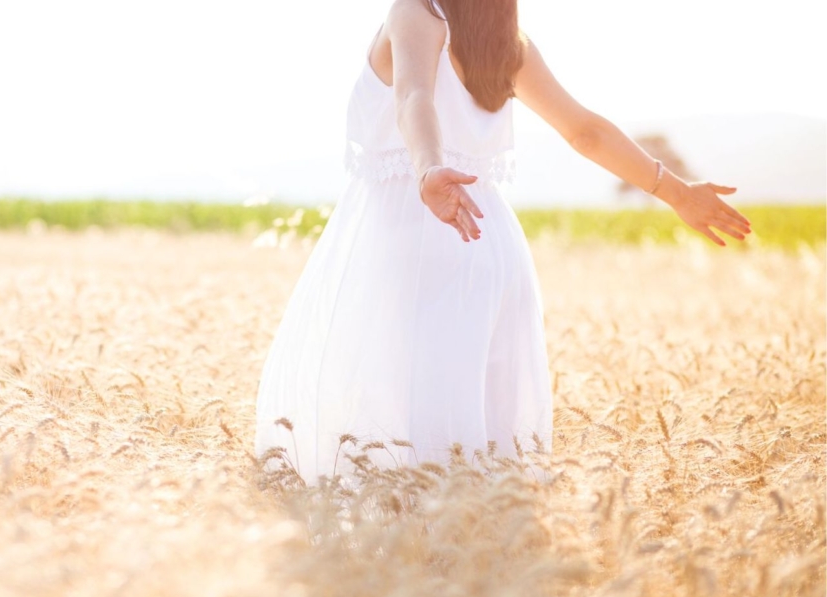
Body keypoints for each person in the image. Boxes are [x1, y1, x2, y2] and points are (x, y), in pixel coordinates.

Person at [253, 0, 750, 486]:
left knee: (401, 409)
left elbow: (413, 97)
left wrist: (428, 169)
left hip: (415, 235)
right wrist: (676, 192)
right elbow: (585, 132)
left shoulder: (416, 13)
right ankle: (475, 539)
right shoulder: (507, 45)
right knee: (473, 417)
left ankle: (423, 544)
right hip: (486, 241)